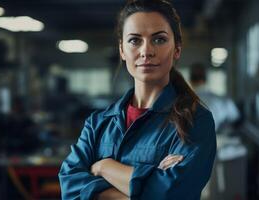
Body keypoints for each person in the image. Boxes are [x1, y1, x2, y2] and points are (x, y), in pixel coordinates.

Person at [58, 0, 217, 199]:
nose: (146, 51)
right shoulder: (98, 124)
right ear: (122, 50)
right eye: (134, 40)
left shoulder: (195, 122)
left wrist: (103, 167)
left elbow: (173, 193)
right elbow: (69, 186)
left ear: (177, 49)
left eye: (159, 40)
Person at [190, 62, 240, 132]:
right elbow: (235, 116)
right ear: (205, 79)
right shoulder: (222, 100)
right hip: (217, 139)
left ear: (190, 81)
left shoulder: (183, 101)